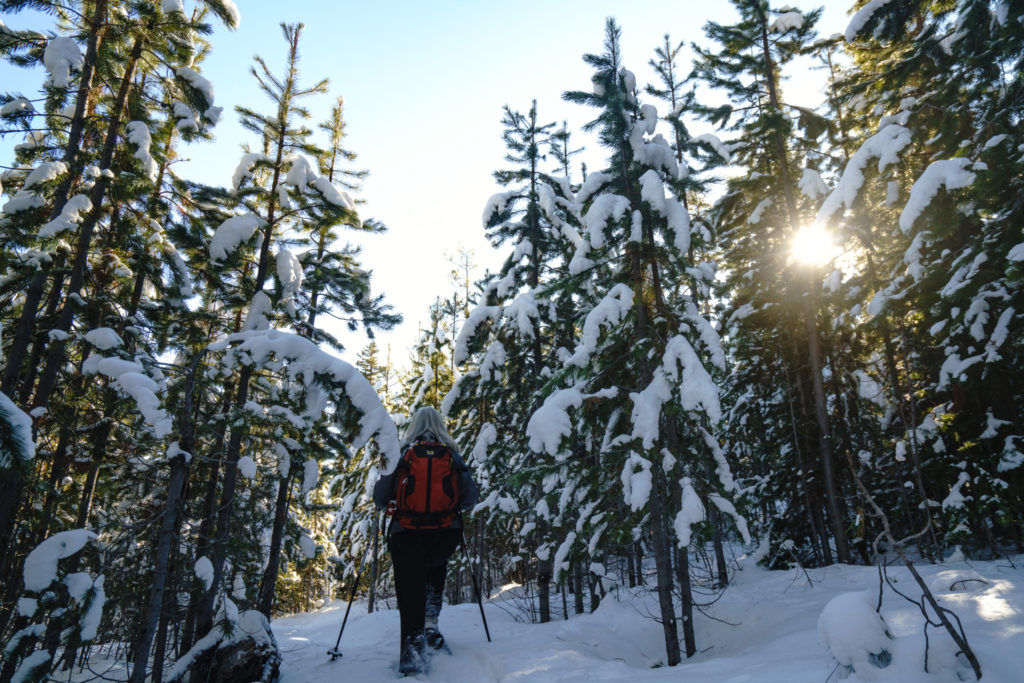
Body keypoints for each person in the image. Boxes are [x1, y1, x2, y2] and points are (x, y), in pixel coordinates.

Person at [374, 406, 478, 675]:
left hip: (406, 533)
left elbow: (380, 497)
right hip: (445, 533)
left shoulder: (402, 453)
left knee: (410, 589)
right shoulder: (451, 452)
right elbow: (469, 498)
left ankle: (412, 653)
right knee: (435, 569)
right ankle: (431, 625)